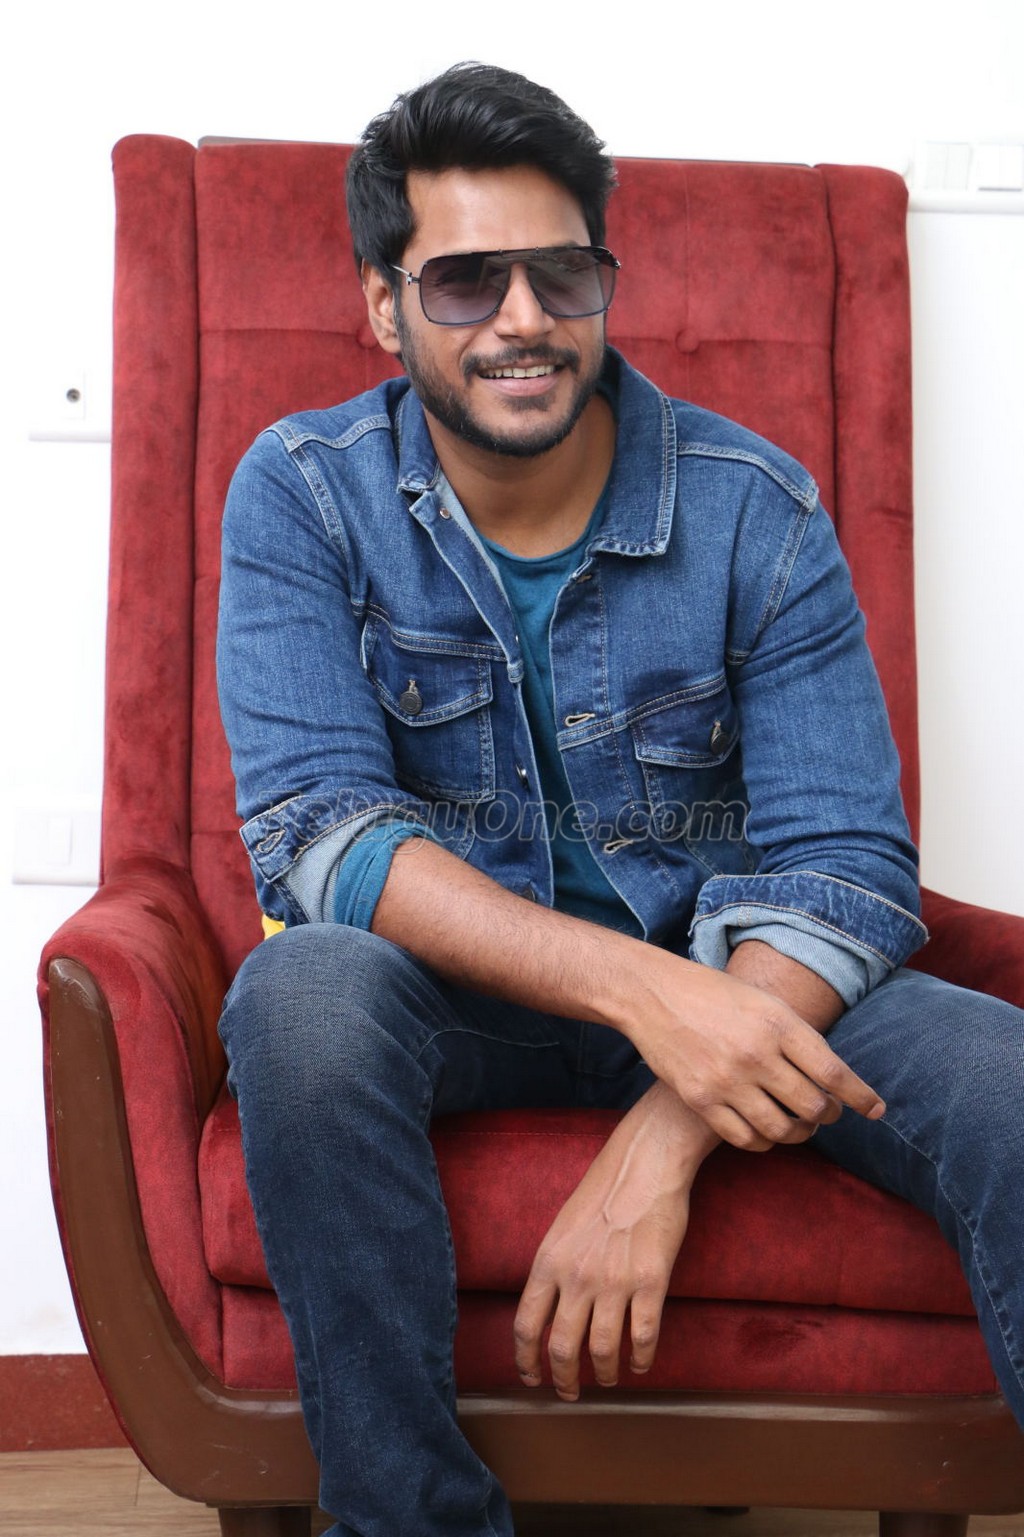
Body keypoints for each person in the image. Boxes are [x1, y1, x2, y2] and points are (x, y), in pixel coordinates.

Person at [216, 61, 1024, 1537]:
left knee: (1011, 1082)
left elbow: (846, 861)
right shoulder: (304, 493)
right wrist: (653, 998)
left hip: (744, 977)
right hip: (464, 999)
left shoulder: (753, 505)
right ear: (384, 306)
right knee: (303, 994)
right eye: (465, 280)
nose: (523, 317)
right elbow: (323, 837)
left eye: (563, 271)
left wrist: (664, 1128)